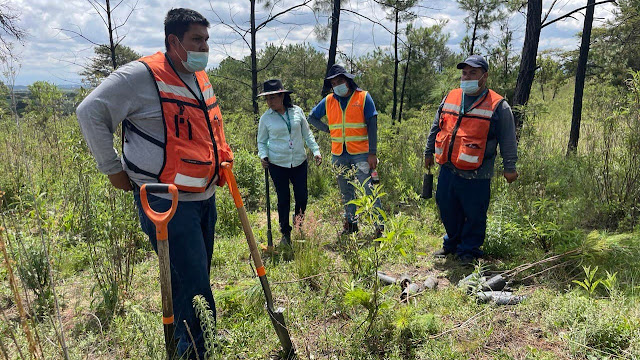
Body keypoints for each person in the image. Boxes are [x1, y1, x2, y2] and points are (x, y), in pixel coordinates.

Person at [76, 8, 233, 359]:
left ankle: (191, 344)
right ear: (174, 41)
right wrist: (112, 169)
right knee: (195, 288)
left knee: (192, 279)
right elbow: (90, 111)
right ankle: (196, 350)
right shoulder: (140, 76)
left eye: (206, 40)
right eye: (197, 40)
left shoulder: (197, 75)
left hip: (204, 197)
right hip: (166, 202)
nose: (204, 47)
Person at [424, 55, 518, 265]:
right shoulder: (451, 96)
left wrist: (509, 167)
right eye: (464, 73)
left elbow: (508, 138)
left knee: (474, 213)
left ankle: (469, 251)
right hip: (448, 166)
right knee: (446, 206)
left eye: (472, 73)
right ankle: (453, 244)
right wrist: (428, 152)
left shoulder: (498, 105)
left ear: (484, 76)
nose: (467, 77)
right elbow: (436, 126)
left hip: (478, 171)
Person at [308, 64, 382, 236]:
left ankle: (379, 227)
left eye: (339, 81)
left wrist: (373, 153)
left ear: (348, 80)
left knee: (369, 189)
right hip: (339, 154)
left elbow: (372, 125)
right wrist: (328, 129)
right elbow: (312, 117)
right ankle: (351, 224)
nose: (336, 85)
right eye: (333, 83)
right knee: (346, 191)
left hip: (362, 154)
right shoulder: (328, 100)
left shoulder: (363, 97)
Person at [257, 79, 322, 246]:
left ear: (282, 96)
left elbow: (307, 134)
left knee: (302, 196)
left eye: (272, 97)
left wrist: (315, 151)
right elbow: (262, 142)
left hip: (299, 161)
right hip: (277, 163)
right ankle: (285, 232)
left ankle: (298, 223)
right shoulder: (266, 118)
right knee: (283, 198)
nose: (269, 102)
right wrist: (263, 156)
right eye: (267, 98)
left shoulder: (297, 112)